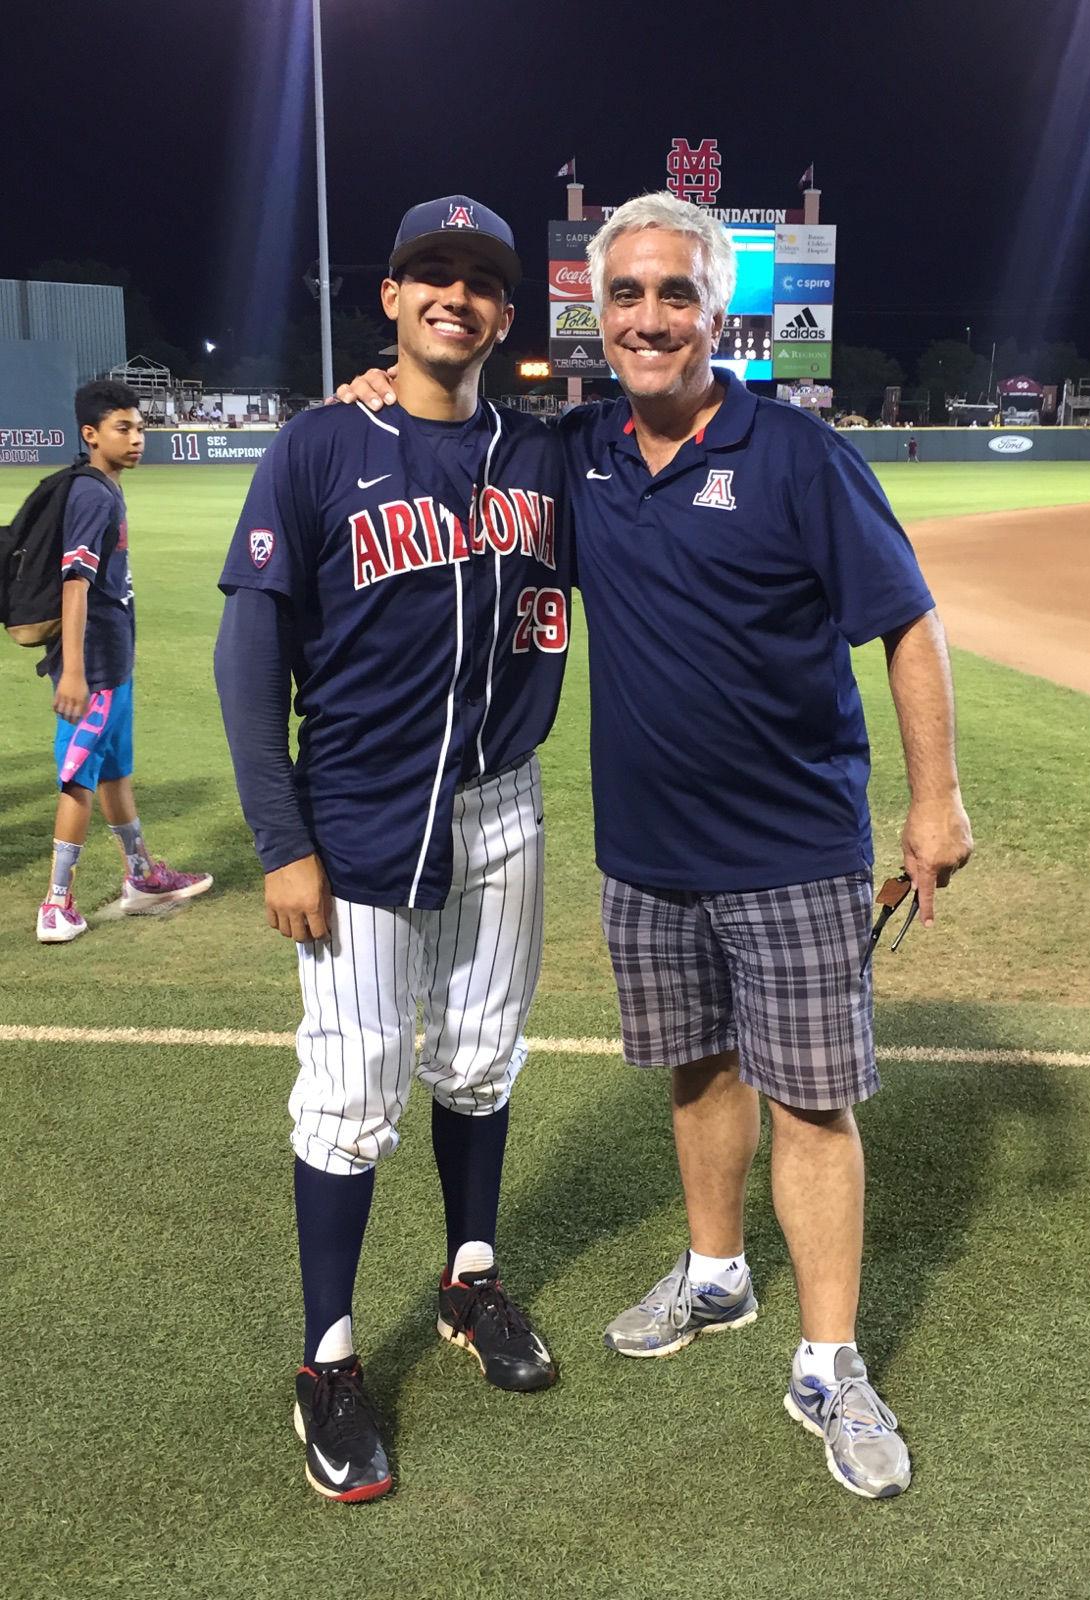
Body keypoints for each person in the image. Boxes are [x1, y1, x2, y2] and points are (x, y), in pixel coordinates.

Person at [342, 191, 972, 1501]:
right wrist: (383, 386)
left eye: (673, 295)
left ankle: (830, 1357)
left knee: (811, 1100)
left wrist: (934, 800)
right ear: (596, 313)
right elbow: (452, 439)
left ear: (716, 310)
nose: (647, 319)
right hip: (648, 855)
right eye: (625, 296)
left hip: (794, 848)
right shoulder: (574, 455)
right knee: (693, 1073)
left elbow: (908, 620)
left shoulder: (797, 456)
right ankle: (717, 1273)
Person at [214, 196, 568, 1504]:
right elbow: (249, 654)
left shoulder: (544, 457)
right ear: (390, 294)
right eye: (431, 272)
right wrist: (279, 842)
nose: (454, 296)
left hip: (503, 809)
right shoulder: (319, 449)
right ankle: (329, 1361)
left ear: (506, 316)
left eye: (479, 279)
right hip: (357, 815)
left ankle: (470, 1283)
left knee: (479, 1061)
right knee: (352, 1095)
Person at [36, 380, 212, 945]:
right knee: (78, 776)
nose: (137, 438)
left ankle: (141, 876)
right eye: (123, 428)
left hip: (114, 660)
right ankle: (56, 904)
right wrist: (73, 671)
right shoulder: (93, 494)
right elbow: (74, 584)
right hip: (95, 669)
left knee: (113, 769)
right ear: (90, 435)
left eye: (139, 427)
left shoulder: (108, 488)